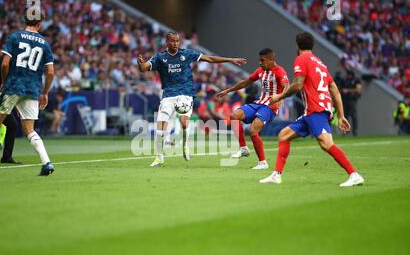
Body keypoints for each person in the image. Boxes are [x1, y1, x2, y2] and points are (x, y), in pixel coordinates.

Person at [260, 32, 364, 187]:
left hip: (316, 109)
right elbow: (334, 89)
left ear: (297, 45)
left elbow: (297, 84)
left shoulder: (301, 59)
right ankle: (276, 175)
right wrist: (341, 115)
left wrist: (279, 96)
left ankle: (354, 174)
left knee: (326, 144)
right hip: (315, 110)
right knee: (284, 135)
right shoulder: (320, 63)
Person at [137, 31, 246, 166]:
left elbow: (209, 58)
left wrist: (230, 60)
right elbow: (144, 68)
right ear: (167, 42)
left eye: (177, 41)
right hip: (168, 95)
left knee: (183, 122)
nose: (176, 43)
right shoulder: (160, 57)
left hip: (185, 93)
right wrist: (141, 65)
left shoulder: (186, 54)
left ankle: (185, 146)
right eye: (172, 41)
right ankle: (159, 157)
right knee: (160, 129)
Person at [0, 8, 55, 176]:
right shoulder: (45, 43)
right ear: (39, 23)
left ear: (25, 21)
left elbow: (4, 64)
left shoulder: (15, 37)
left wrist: (4, 81)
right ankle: (47, 163)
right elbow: (50, 72)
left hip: (14, 85)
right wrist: (45, 93)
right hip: (32, 89)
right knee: (29, 129)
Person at [216, 48, 289, 170]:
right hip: (259, 103)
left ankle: (262, 163)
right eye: (259, 60)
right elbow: (245, 82)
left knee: (252, 130)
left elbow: (287, 86)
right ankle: (243, 148)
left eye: (263, 60)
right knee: (234, 116)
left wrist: (281, 97)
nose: (260, 63)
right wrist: (228, 91)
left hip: (270, 107)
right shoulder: (260, 70)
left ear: (271, 60)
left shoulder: (279, 71)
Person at [341, 69, 361, 136]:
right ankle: (345, 131)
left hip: (352, 99)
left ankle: (355, 131)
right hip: (345, 99)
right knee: (345, 116)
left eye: (348, 74)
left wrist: (348, 90)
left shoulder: (356, 80)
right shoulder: (344, 80)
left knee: (353, 116)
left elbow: (358, 90)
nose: (347, 75)